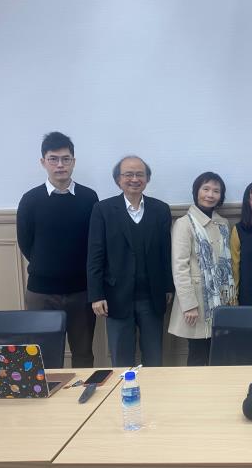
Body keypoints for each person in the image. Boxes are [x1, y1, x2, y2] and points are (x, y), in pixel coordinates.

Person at [16, 131, 98, 368]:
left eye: (66, 159)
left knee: (83, 353)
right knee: (43, 355)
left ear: (73, 161)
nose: (60, 165)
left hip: (81, 291)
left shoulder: (89, 197)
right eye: (53, 159)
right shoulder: (31, 199)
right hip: (42, 291)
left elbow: (94, 244)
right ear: (43, 162)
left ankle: (82, 401)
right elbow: (26, 242)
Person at [87, 155, 173, 367]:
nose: (134, 179)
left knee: (154, 358)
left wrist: (168, 287)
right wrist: (96, 295)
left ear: (147, 179)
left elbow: (166, 252)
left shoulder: (160, 209)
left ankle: (155, 397)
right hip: (115, 297)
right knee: (121, 360)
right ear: (118, 179)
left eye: (139, 174)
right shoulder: (103, 210)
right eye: (128, 174)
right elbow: (95, 254)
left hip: (151, 297)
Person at [168, 172, 235, 366]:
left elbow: (227, 263)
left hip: (222, 298)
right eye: (205, 189)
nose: (210, 194)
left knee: (220, 351)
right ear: (196, 191)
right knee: (198, 354)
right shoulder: (184, 224)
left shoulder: (223, 223)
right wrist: (188, 304)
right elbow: (179, 267)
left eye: (216, 190)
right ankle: (197, 395)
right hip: (197, 300)